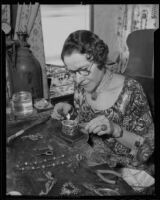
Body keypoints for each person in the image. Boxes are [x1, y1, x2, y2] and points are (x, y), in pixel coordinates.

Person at [51, 30, 154, 168]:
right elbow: (85, 125)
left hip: (127, 170)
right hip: (91, 163)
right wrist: (69, 112)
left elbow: (147, 149)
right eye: (72, 72)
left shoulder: (131, 90)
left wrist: (115, 130)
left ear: (100, 59)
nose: (78, 79)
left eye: (84, 69)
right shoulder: (81, 86)